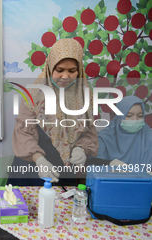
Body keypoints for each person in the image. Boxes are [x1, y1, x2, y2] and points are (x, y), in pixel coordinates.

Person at [8, 38, 99, 186]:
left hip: (64, 168)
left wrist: (81, 149)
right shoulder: (35, 94)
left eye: (72, 71)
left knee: (62, 207)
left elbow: (88, 131)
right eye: (59, 70)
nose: (65, 76)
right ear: (50, 67)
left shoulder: (84, 95)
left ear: (80, 70)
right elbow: (23, 132)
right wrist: (39, 159)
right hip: (33, 166)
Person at [90, 95, 152, 167]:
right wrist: (110, 163)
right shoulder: (104, 137)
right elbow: (92, 162)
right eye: (129, 115)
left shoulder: (148, 136)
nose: (135, 119)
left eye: (140, 116)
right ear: (119, 116)